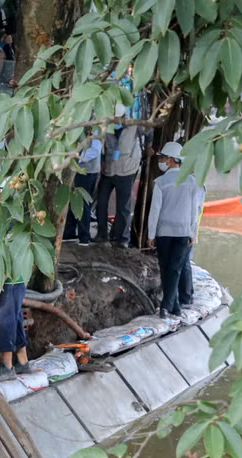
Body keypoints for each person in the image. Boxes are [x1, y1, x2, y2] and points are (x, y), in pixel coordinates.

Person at [146, 142, 205, 319]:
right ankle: (176, 307)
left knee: (166, 268)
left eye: (163, 158)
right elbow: (195, 211)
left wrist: (151, 234)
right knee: (174, 269)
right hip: (183, 233)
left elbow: (154, 211)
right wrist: (192, 233)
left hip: (163, 233)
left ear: (171, 160)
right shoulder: (193, 182)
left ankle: (166, 306)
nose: (161, 161)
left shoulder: (160, 182)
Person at [95, 104, 149, 248]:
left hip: (126, 170)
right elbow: (101, 144)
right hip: (109, 169)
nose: (116, 122)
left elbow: (149, 133)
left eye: (118, 119)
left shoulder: (134, 126)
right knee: (101, 202)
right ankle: (102, 234)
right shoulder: (107, 126)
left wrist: (147, 149)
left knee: (123, 207)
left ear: (124, 117)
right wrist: (102, 161)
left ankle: (122, 239)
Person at [62, 135, 103, 246]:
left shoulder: (95, 126)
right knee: (71, 198)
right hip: (76, 168)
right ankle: (68, 233)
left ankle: (84, 236)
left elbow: (95, 151)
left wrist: (76, 158)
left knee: (83, 202)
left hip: (87, 170)